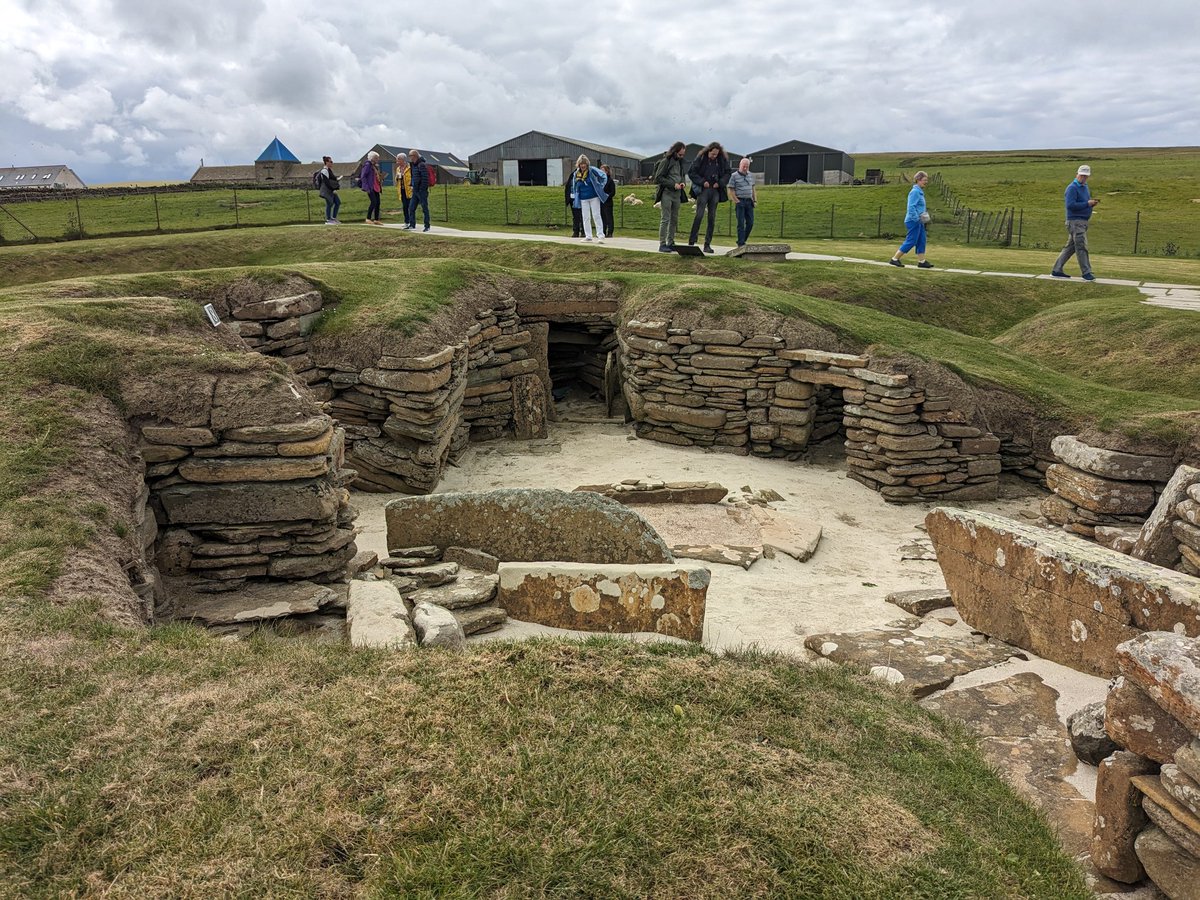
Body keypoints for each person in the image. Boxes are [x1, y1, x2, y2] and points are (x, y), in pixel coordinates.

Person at [1051, 165, 1099, 280]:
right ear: (1077, 174)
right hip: (1075, 222)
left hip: (1082, 222)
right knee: (1081, 247)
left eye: (1085, 176)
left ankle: (1057, 270)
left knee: (1070, 247)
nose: (1083, 178)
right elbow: (1070, 205)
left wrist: (1090, 205)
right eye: (1082, 175)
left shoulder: (1085, 187)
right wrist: (1087, 204)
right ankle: (1086, 272)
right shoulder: (1072, 188)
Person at [687, 142, 731, 253]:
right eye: (712, 154)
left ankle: (707, 244)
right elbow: (691, 172)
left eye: (716, 154)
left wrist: (720, 183)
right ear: (708, 151)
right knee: (699, 215)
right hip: (703, 190)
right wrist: (702, 182)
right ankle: (692, 242)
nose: (714, 156)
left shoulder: (721, 160)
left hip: (715, 191)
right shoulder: (701, 158)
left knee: (712, 217)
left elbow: (727, 173)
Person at [889, 171, 934, 268]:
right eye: (924, 180)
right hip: (913, 221)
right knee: (912, 240)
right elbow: (911, 207)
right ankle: (894, 259)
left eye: (926, 180)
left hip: (919, 220)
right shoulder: (915, 192)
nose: (926, 182)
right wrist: (916, 218)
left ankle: (922, 261)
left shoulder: (920, 192)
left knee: (922, 240)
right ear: (918, 180)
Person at [653, 141, 687, 252]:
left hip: (677, 194)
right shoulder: (665, 161)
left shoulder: (680, 162)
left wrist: (682, 182)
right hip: (667, 193)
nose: (681, 157)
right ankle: (662, 244)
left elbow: (681, 175)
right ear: (675, 152)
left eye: (683, 155)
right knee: (665, 219)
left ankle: (671, 242)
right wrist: (673, 184)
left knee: (674, 220)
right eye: (680, 154)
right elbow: (658, 178)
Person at [569, 154, 609, 243]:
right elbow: (574, 185)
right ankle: (588, 236)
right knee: (585, 217)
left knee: (596, 215)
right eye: (581, 164)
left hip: (594, 197)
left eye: (584, 164)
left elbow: (603, 176)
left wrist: (600, 186)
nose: (583, 166)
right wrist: (574, 194)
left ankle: (600, 235)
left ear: (587, 164)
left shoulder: (592, 170)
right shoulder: (576, 173)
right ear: (578, 165)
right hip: (583, 198)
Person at [727, 157, 756, 246]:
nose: (745, 168)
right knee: (740, 223)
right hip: (740, 201)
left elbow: (753, 188)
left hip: (749, 201)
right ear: (740, 165)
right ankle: (741, 242)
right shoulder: (734, 176)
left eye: (747, 166)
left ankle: (743, 239)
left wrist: (754, 200)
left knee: (750, 223)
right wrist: (736, 200)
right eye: (743, 166)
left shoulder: (750, 175)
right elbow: (731, 189)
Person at [407, 149, 432, 232]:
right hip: (415, 190)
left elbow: (425, 178)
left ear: (415, 156)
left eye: (411, 156)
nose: (409, 157)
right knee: (411, 208)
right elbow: (413, 176)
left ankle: (427, 226)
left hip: (421, 191)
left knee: (424, 208)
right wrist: (412, 185)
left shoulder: (421, 165)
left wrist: (421, 188)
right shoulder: (413, 165)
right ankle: (412, 224)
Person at [359, 151, 382, 224]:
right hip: (370, 187)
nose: (377, 159)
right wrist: (366, 187)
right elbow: (363, 176)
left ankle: (376, 219)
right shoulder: (367, 165)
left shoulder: (374, 166)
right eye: (376, 158)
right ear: (372, 158)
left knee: (378, 203)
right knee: (373, 202)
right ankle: (368, 218)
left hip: (376, 187)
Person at [317, 156, 340, 224]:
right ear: (326, 162)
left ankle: (333, 218)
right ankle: (328, 219)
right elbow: (327, 182)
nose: (332, 163)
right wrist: (333, 189)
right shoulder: (324, 171)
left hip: (330, 190)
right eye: (330, 162)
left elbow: (332, 179)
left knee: (337, 202)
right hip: (327, 191)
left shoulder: (329, 170)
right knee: (329, 203)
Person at [395, 154, 414, 229]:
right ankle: (406, 221)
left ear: (403, 160)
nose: (397, 161)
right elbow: (396, 181)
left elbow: (413, 177)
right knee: (404, 207)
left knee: (411, 207)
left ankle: (412, 222)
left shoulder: (410, 168)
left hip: (409, 190)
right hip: (402, 190)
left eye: (398, 160)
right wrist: (397, 178)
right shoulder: (398, 169)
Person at [599, 164, 616, 238]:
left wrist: (607, 196)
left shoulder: (610, 181)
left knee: (609, 217)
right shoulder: (600, 181)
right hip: (601, 202)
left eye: (603, 171)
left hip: (608, 202)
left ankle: (610, 232)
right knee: (602, 217)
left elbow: (613, 192)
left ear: (607, 171)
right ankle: (603, 231)